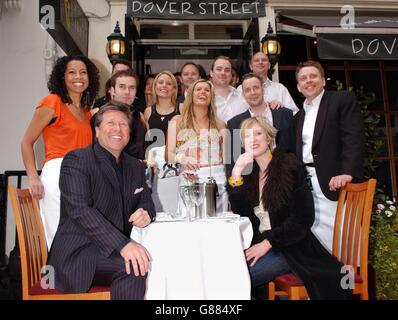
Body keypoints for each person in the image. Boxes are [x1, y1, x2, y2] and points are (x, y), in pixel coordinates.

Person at [227, 116, 351, 300]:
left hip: (291, 247)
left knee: (235, 281)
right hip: (263, 245)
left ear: (268, 138)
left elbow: (303, 217)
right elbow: (242, 214)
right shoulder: (251, 173)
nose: (253, 139)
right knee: (224, 274)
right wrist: (236, 171)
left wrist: (268, 243)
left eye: (258, 133)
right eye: (247, 136)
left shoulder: (287, 165)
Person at [47, 102, 155, 300]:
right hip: (77, 255)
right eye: (110, 123)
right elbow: (80, 210)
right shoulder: (77, 160)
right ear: (96, 130)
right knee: (133, 266)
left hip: (111, 252)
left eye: (123, 124)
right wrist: (123, 244)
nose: (118, 129)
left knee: (156, 259)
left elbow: (146, 202)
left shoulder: (135, 166)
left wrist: (145, 212)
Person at [21, 55, 99, 249]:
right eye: (71, 72)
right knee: (60, 234)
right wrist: (33, 177)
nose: (78, 76)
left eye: (83, 72)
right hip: (57, 173)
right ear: (62, 77)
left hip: (83, 176)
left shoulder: (87, 111)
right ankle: (58, 278)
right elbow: (26, 141)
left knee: (81, 236)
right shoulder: (52, 102)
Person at [295, 60, 365, 252]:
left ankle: (348, 281)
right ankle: (326, 278)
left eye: (313, 76)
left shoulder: (341, 100)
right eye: (303, 78)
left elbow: (354, 137)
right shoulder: (299, 116)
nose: (308, 81)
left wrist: (347, 173)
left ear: (323, 80)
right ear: (298, 86)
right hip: (307, 185)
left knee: (344, 239)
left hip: (335, 181)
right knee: (316, 236)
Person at [166, 79, 229, 214]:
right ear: (190, 95)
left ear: (211, 97)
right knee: (190, 221)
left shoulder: (220, 124)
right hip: (190, 179)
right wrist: (181, 158)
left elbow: (226, 160)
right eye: (198, 89)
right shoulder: (177, 121)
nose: (203, 92)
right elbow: (168, 155)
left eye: (207, 90)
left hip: (217, 181)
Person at [226, 73, 295, 180]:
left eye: (256, 88)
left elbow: (294, 149)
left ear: (263, 89)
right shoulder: (234, 124)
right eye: (248, 90)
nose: (252, 92)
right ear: (243, 94)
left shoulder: (285, 114)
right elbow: (232, 160)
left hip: (286, 179)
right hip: (251, 183)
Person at [105, 69, 146, 160]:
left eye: (132, 88)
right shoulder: (103, 117)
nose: (127, 92)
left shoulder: (137, 115)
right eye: (122, 87)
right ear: (112, 90)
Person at [210, 56, 248, 123]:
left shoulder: (243, 97)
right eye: (219, 69)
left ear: (231, 75)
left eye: (227, 70)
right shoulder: (205, 99)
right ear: (211, 73)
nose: (223, 73)